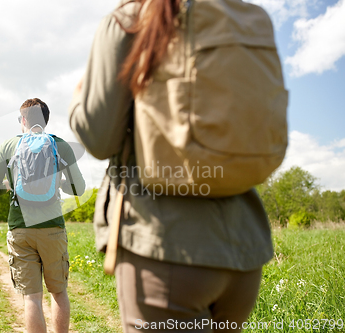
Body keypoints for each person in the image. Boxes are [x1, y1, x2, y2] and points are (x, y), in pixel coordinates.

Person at [69, 1, 277, 332]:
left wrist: (78, 99)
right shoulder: (242, 18)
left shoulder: (130, 20)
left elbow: (99, 137)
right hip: (244, 250)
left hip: (164, 251)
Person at [0, 98, 85, 333]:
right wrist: (57, 182)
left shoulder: (9, 146)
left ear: (24, 119)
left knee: (32, 298)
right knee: (58, 292)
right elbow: (78, 189)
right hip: (52, 228)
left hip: (20, 229)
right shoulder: (60, 145)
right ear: (46, 120)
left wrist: (9, 184)